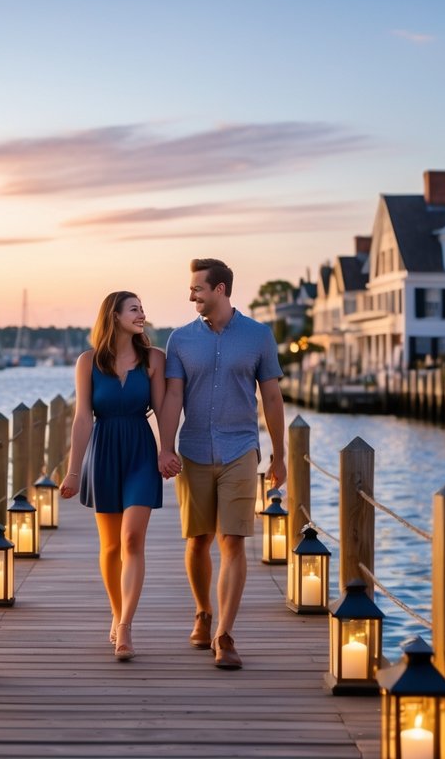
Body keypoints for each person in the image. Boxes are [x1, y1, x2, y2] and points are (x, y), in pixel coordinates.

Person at [157, 258, 287, 670]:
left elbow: (271, 397)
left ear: (220, 289)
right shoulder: (179, 340)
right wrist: (165, 446)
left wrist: (279, 455)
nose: (191, 294)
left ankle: (224, 635)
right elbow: (173, 397)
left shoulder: (258, 336)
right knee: (198, 540)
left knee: (233, 541)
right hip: (192, 450)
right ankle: (202, 611)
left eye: (197, 288)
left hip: (240, 450)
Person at [60, 291, 165, 662]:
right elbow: (82, 418)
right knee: (110, 547)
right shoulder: (88, 362)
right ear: (114, 315)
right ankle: (116, 610)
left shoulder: (154, 359)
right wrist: (73, 472)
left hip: (139, 450)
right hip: (102, 452)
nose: (142, 314)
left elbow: (166, 409)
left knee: (133, 538)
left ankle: (125, 627)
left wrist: (167, 448)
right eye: (134, 309)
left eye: (142, 308)